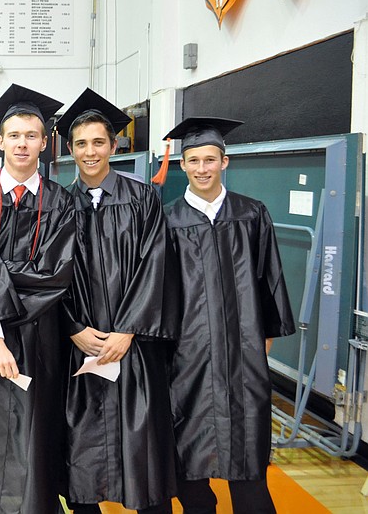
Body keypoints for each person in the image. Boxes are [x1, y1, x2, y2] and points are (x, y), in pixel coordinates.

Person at [0, 84, 77, 514]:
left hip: (39, 338)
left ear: (45, 142)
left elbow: (55, 275)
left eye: (32, 136)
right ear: (0, 141)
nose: (23, 144)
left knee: (32, 434)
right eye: (15, 135)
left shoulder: (62, 203)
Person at [164, 117, 296, 514]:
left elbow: (268, 278)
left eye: (209, 159)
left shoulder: (252, 214)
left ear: (225, 162)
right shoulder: (168, 220)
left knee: (248, 457)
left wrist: (262, 338)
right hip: (188, 354)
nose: (202, 168)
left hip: (243, 353)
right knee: (188, 450)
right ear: (182, 165)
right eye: (193, 160)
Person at [55, 89, 178, 514]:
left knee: (143, 455)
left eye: (99, 142)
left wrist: (127, 330)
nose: (90, 152)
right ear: (69, 149)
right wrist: (72, 328)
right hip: (81, 349)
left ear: (113, 145)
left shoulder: (143, 199)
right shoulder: (56, 205)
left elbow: (154, 266)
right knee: (82, 455)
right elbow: (48, 277)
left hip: (134, 349)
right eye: (81, 144)